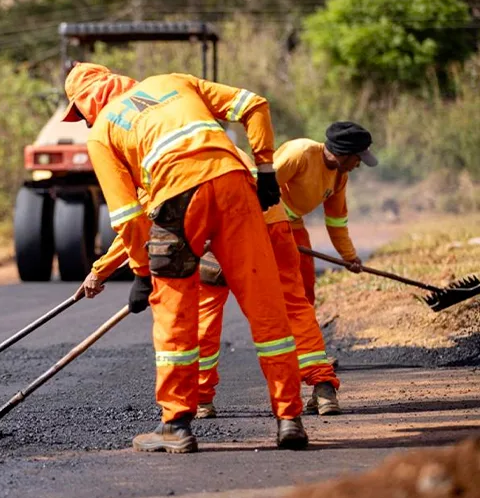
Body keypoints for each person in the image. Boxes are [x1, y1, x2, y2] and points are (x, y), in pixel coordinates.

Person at [61, 62, 308, 453]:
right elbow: (254, 104)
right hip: (234, 184)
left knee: (174, 311)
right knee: (265, 303)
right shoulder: (172, 81)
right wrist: (265, 170)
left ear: (85, 103)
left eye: (82, 114)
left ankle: (176, 425)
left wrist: (142, 274)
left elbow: (126, 214)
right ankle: (289, 418)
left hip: (177, 199)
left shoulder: (103, 131)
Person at [84, 150, 342, 419]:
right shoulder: (215, 142)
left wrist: (99, 272)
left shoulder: (163, 158)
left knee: (206, 310)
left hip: (225, 223)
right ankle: (322, 387)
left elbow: (136, 222)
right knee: (293, 306)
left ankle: (202, 398)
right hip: (273, 222)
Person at [275, 122, 377, 305]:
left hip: (293, 224)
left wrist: (349, 257)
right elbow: (258, 188)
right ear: (344, 153)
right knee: (275, 281)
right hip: (266, 219)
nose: (358, 165)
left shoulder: (340, 178)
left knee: (305, 279)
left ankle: (303, 329)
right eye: (358, 159)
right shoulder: (300, 153)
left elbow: (336, 222)